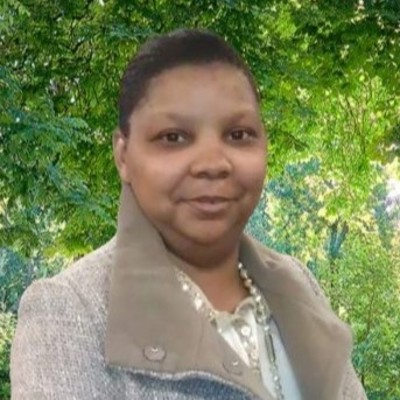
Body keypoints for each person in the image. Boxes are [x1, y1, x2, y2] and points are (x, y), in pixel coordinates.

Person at [10, 29, 367, 400]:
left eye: (239, 134)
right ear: (123, 155)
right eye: (173, 137)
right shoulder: (70, 312)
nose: (212, 164)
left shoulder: (297, 286)